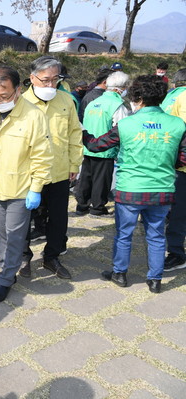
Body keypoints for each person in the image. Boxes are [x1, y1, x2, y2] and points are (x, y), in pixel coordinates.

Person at [83, 75, 186, 293]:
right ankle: (155, 280)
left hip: (130, 190)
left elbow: (96, 146)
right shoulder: (178, 124)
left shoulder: (126, 124)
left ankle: (119, 273)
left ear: (137, 97)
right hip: (162, 190)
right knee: (157, 235)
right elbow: (183, 158)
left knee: (124, 233)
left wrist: (82, 133)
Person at [0, 66, 53, 302]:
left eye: (4, 96)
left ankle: (6, 279)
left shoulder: (33, 115)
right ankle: (5, 270)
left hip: (21, 188)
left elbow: (42, 155)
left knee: (15, 235)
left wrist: (36, 188)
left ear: (18, 90)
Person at [20, 56, 83, 280]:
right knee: (24, 219)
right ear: (32, 78)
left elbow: (75, 133)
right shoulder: (20, 103)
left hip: (59, 171)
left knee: (58, 219)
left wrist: (74, 162)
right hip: (28, 174)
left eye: (55, 80)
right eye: (45, 80)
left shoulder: (66, 101)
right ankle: (23, 256)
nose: (50, 85)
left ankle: (52, 257)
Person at [75, 71, 131, 217]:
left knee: (86, 177)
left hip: (88, 145)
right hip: (105, 148)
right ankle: (98, 208)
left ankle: (82, 205)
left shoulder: (93, 102)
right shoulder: (118, 105)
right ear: (121, 88)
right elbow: (121, 129)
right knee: (102, 180)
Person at [163, 69, 186, 271]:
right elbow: (171, 129)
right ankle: (177, 253)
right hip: (183, 167)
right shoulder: (181, 97)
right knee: (179, 211)